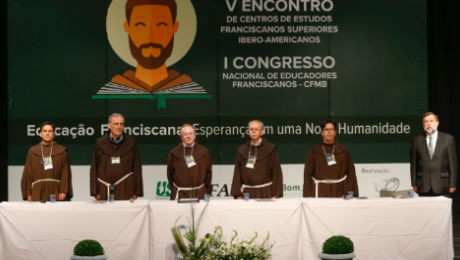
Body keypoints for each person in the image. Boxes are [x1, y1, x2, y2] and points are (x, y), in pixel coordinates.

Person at [97, 0, 206, 95]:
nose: (150, 36)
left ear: (174, 27)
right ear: (127, 28)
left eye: (161, 25)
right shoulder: (115, 87)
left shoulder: (187, 86)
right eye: (140, 25)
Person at [90, 113, 143, 201]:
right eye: (116, 124)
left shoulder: (131, 143)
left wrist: (137, 191)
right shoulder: (100, 143)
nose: (119, 126)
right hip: (104, 189)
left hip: (126, 189)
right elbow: (94, 167)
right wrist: (95, 191)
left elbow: (137, 168)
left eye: (121, 124)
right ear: (109, 125)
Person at [303, 119, 359, 198]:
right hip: (320, 192)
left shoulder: (343, 150)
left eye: (332, 129)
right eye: (326, 129)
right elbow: (307, 174)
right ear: (322, 132)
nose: (329, 132)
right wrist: (307, 196)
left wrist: (351, 194)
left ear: (335, 132)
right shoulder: (314, 151)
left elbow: (351, 173)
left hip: (340, 191)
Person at [231, 120, 283, 199]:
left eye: (256, 129)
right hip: (247, 193)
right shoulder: (242, 150)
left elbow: (277, 172)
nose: (253, 132)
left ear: (262, 132)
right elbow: (237, 173)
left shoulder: (270, 149)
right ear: (248, 132)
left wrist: (276, 194)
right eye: (251, 129)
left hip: (266, 192)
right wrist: (238, 195)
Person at [21, 122, 73, 202]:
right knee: (39, 214)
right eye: (45, 131)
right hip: (37, 191)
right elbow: (27, 173)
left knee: (55, 213)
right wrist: (28, 193)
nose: (47, 133)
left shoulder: (62, 151)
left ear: (54, 134)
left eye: (50, 131)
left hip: (56, 190)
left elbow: (65, 173)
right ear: (40, 134)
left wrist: (63, 190)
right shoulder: (32, 151)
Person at [410, 111, 457, 197]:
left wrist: (453, 184)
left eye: (431, 121)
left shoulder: (448, 139)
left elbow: (453, 165)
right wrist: (414, 183)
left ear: (437, 123)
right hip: (423, 186)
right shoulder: (417, 140)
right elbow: (414, 164)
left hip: (443, 186)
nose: (428, 124)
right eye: (425, 121)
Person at [167, 124, 212, 200]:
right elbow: (170, 175)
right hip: (180, 193)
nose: (188, 136)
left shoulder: (204, 152)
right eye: (185, 134)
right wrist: (174, 190)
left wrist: (206, 196)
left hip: (200, 193)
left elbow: (208, 175)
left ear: (195, 136)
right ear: (181, 137)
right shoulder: (173, 153)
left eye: (191, 134)